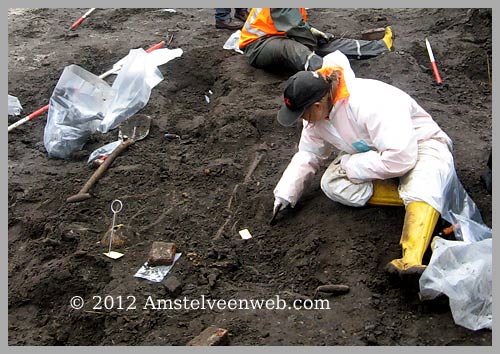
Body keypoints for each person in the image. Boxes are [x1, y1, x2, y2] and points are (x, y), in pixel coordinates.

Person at [272, 50, 483, 280]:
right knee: (331, 183)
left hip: (420, 145)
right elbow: (309, 153)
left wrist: (354, 166)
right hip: (374, 155)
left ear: (317, 105)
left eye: (303, 114)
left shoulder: (368, 102)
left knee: (423, 182)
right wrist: (285, 193)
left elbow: (401, 157)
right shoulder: (317, 118)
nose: (302, 120)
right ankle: (423, 202)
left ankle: (410, 258)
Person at [239, 8, 394, 73]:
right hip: (258, 45)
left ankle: (378, 47)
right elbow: (292, 25)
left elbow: (295, 24)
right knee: (292, 48)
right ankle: (331, 77)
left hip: (282, 35)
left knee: (324, 41)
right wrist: (310, 39)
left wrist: (313, 33)